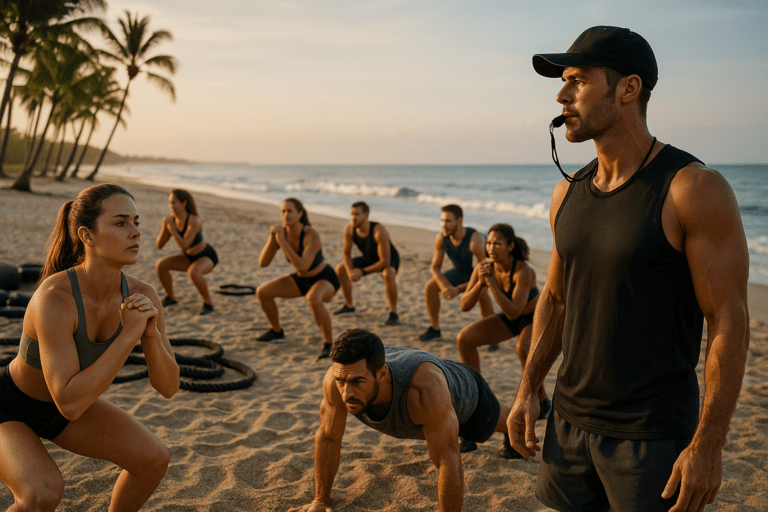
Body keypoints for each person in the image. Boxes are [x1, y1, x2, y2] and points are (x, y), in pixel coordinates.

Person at [506, 26, 750, 512]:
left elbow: (728, 319)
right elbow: (555, 300)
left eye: (576, 80)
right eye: (563, 82)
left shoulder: (692, 188)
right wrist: (528, 390)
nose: (561, 94)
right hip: (568, 424)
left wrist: (708, 444)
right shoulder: (566, 192)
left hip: (652, 436)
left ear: (628, 89)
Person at [0, 183, 180, 510]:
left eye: (136, 222)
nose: (136, 233)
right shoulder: (54, 298)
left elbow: (168, 387)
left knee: (154, 460)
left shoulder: (143, 294)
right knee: (42, 492)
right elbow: (69, 402)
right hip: (9, 405)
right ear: (88, 236)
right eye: (121, 223)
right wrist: (127, 337)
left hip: (63, 408)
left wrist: (150, 335)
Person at [288, 328, 519, 512]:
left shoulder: (423, 389)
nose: (346, 393)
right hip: (434, 408)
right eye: (341, 381)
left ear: (382, 373)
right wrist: (320, 500)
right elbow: (328, 437)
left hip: (468, 398)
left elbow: (448, 459)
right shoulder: (337, 380)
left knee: (506, 425)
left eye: (357, 382)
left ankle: (525, 416)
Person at [454, 223, 550, 416]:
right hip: (510, 315)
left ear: (510, 246)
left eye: (497, 244)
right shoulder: (484, 267)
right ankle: (478, 393)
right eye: (488, 243)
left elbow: (515, 311)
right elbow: (464, 305)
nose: (491, 248)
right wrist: (480, 284)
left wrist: (492, 285)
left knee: (523, 349)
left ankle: (541, 400)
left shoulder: (523, 270)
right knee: (464, 339)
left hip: (534, 316)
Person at [256, 198, 340, 360]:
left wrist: (281, 241)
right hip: (302, 280)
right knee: (262, 292)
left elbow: (303, 266)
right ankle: (276, 332)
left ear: (300, 213)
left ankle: (329, 345)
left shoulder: (310, 234)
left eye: (290, 211)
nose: (286, 215)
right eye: (283, 211)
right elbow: (263, 263)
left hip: (324, 277)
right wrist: (272, 238)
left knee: (314, 298)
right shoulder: (282, 234)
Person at [418, 204, 494, 342]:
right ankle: (435, 330)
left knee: (482, 292)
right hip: (461, 271)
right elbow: (434, 268)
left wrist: (457, 289)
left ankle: (492, 334)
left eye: (448, 221)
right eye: (442, 220)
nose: (443, 225)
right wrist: (446, 286)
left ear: (459, 221)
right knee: (431, 286)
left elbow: (485, 274)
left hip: (482, 274)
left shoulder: (475, 241)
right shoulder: (441, 238)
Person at [334, 201, 401, 326]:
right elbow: (346, 254)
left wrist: (362, 271)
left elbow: (384, 261)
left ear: (366, 215)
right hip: (369, 257)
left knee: (388, 273)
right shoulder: (349, 230)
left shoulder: (379, 231)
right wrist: (350, 272)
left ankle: (394, 313)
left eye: (357, 214)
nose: (353, 217)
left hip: (389, 259)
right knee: (341, 269)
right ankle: (349, 305)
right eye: (352, 214)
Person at [155, 189, 219, 315]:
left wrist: (172, 229)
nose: (171, 206)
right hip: (188, 256)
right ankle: (171, 297)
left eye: (174, 203)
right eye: (169, 203)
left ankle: (208, 303)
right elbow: (160, 245)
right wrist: (165, 228)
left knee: (194, 272)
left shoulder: (193, 220)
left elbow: (185, 245)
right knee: (161, 265)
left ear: (183, 203)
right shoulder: (171, 221)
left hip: (206, 255)